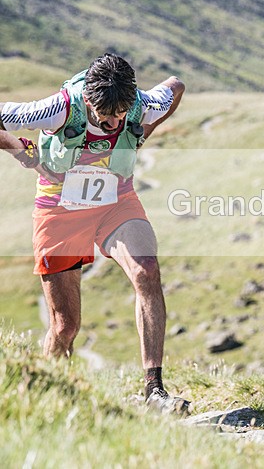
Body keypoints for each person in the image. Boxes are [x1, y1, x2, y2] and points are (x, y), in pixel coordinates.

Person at [0, 53, 188, 413]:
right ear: (88, 100)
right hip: (60, 208)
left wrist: (139, 135)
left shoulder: (140, 104)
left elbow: (175, 87)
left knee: (146, 271)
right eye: (106, 117)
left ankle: (154, 391)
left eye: (122, 115)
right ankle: (48, 400)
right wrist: (22, 151)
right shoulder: (56, 109)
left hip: (116, 200)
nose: (115, 121)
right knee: (65, 326)